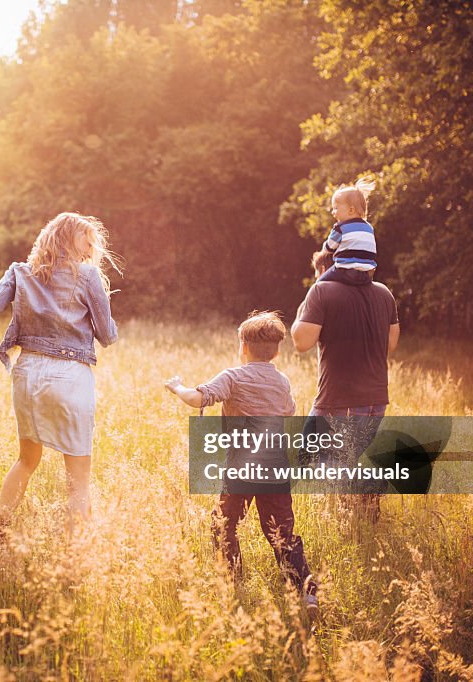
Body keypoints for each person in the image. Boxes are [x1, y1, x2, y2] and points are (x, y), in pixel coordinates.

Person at [0, 212, 120, 540]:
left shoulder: (20, 272)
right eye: (86, 240)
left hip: (27, 372)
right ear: (69, 240)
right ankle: (77, 557)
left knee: (27, 460)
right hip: (70, 376)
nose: (90, 248)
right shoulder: (88, 277)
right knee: (78, 477)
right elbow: (107, 335)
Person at [164, 311, 319, 620]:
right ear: (276, 351)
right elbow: (288, 413)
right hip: (275, 467)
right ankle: (307, 594)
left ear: (243, 346)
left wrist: (177, 387)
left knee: (224, 524)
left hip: (241, 468)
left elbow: (198, 399)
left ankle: (232, 582)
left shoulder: (233, 376)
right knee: (280, 533)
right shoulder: (281, 380)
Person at [292, 250, 400, 521]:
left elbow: (300, 342)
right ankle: (358, 516)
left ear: (328, 270)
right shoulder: (384, 293)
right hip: (376, 401)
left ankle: (368, 485)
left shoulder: (322, 291)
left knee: (311, 458)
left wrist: (308, 305)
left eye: (318, 274)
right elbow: (391, 344)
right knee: (343, 460)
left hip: (339, 400)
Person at [317, 177, 377, 285]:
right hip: (367, 275)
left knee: (319, 285)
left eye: (335, 208)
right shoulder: (369, 228)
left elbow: (329, 248)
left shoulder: (340, 227)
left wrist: (324, 248)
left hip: (345, 272)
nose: (333, 212)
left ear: (351, 210)